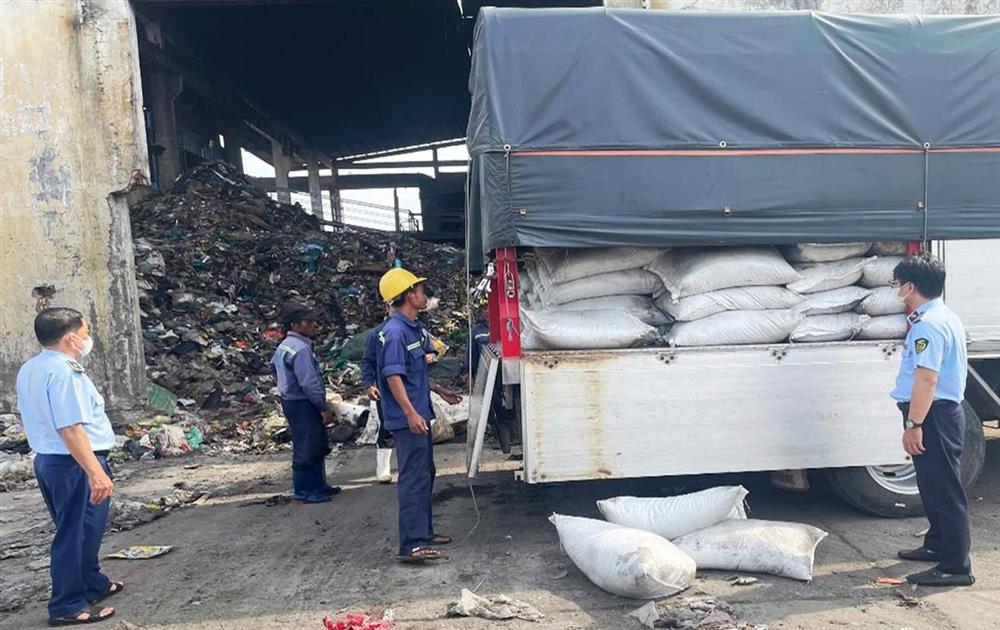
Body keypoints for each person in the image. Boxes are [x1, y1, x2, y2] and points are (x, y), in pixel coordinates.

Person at [15, 308, 121, 625]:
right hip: (73, 462)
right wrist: (95, 472)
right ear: (71, 338)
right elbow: (70, 428)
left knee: (83, 529)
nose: (88, 339)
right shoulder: (64, 372)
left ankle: (91, 583)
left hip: (51, 460)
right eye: (86, 333)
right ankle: (67, 604)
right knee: (74, 534)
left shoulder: (31, 368)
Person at [889, 252, 974, 587]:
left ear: (910, 287)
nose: (896, 289)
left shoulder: (928, 325)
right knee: (931, 485)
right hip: (937, 413)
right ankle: (937, 544)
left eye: (897, 284)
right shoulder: (943, 315)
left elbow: (927, 379)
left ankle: (955, 567)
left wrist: (914, 425)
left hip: (933, 415)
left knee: (944, 489)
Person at [375, 267, 453, 563]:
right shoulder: (395, 333)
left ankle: (424, 532)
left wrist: (439, 390)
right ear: (409, 295)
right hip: (408, 419)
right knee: (413, 479)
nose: (424, 294)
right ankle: (412, 544)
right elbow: (393, 376)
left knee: (425, 473)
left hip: (418, 412)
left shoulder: (412, 329)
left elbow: (413, 373)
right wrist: (409, 412)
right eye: (420, 290)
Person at [271, 302, 341, 504]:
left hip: (291, 400)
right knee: (307, 446)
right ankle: (304, 491)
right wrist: (322, 406)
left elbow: (274, 368)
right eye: (308, 322)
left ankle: (318, 485)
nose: (313, 325)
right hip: (302, 402)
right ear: (294, 325)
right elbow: (309, 383)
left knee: (316, 443)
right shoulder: (300, 349)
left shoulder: (285, 345)